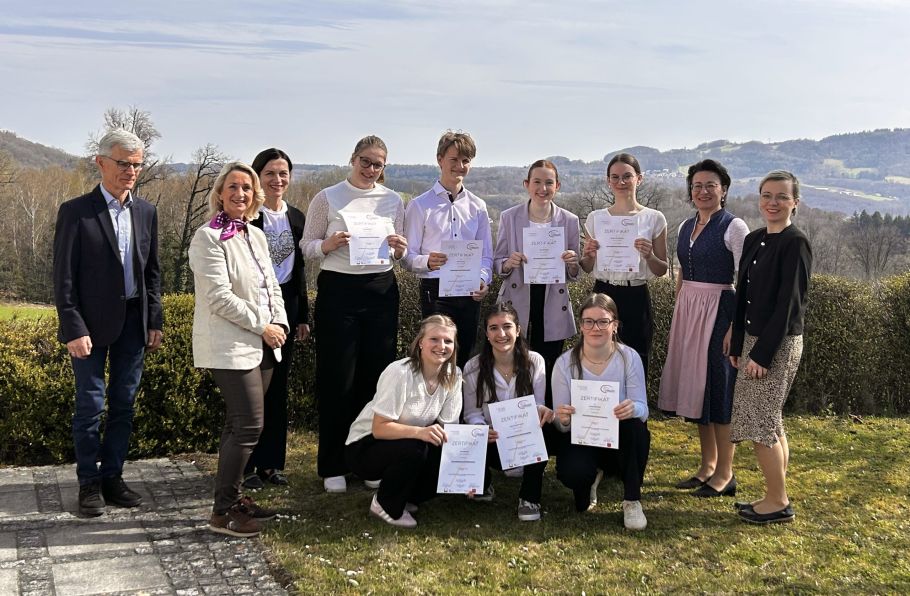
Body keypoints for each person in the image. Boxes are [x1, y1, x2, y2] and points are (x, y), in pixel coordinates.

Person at [53, 129, 163, 517]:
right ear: (101, 163)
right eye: (123, 163)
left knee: (123, 405)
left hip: (133, 323)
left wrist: (154, 319)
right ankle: (89, 483)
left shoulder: (146, 212)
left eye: (137, 165)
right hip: (89, 326)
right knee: (90, 406)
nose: (131, 171)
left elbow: (152, 272)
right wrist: (73, 327)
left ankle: (113, 478)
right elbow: (63, 277)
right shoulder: (76, 212)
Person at [301, 135, 408, 493]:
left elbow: (399, 251)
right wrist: (326, 245)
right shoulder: (327, 197)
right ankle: (333, 464)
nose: (371, 169)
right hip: (339, 290)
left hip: (381, 290)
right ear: (353, 158)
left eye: (378, 164)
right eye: (366, 161)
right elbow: (307, 245)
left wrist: (399, 249)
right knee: (338, 380)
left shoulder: (393, 200)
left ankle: (368, 462)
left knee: (376, 381)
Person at [189, 162, 289, 537]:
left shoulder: (256, 235)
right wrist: (263, 326)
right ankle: (223, 513)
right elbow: (219, 298)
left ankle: (232, 499)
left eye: (247, 187)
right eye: (232, 187)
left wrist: (280, 322)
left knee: (237, 425)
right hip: (230, 345)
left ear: (255, 195)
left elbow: (271, 286)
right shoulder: (208, 237)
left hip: (264, 343)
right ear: (220, 194)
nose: (240, 193)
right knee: (249, 426)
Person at [658, 159, 749, 497]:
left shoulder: (734, 226)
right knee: (698, 388)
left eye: (711, 185)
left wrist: (735, 327)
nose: (703, 191)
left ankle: (725, 473)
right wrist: (679, 310)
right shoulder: (686, 225)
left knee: (719, 389)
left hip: (720, 310)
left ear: (723, 190)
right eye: (697, 186)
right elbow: (682, 271)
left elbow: (746, 279)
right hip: (689, 310)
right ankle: (707, 466)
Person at [729, 170, 812, 525]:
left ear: (795, 202)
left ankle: (778, 501)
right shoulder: (755, 239)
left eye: (781, 196)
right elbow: (743, 295)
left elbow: (789, 304)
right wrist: (737, 341)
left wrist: (761, 355)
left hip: (776, 345)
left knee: (759, 421)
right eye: (767, 195)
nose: (772, 203)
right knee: (771, 421)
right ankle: (775, 494)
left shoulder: (796, 243)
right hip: (752, 340)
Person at [345, 315, 463, 528]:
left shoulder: (453, 375)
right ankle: (384, 505)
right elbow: (379, 428)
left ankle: (406, 496)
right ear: (421, 342)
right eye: (434, 339)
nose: (441, 346)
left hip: (407, 442)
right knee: (416, 448)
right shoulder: (400, 372)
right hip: (364, 446)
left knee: (441, 452)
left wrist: (467, 474)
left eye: (448, 341)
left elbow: (450, 430)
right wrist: (420, 433)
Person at [241, 148, 310, 489]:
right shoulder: (247, 217)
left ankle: (271, 463)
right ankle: (246, 465)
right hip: (253, 309)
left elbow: (300, 270)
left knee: (278, 387)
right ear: (258, 177)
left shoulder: (296, 217)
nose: (277, 180)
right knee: (251, 389)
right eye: (270, 173)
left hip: (287, 309)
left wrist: (303, 316)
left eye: (283, 173)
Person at [552, 293, 650, 530]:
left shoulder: (629, 358)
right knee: (575, 483)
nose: (595, 328)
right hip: (581, 438)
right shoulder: (564, 363)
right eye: (589, 321)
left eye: (603, 321)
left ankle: (632, 500)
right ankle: (589, 479)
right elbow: (560, 424)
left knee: (635, 427)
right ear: (581, 326)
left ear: (614, 325)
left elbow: (644, 410)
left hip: (619, 440)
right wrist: (563, 419)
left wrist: (632, 408)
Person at [495, 159, 580, 407]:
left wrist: (572, 261)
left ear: (557, 186)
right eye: (537, 182)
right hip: (517, 297)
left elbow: (575, 272)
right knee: (514, 363)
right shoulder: (509, 217)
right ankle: (515, 417)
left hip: (552, 298)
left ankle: (547, 418)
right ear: (527, 184)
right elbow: (497, 262)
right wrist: (508, 263)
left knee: (549, 365)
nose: (543, 188)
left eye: (549, 183)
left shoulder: (570, 220)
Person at [403, 131, 493, 367]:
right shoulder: (419, 206)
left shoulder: (478, 206)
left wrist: (483, 279)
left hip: (469, 291)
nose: (460, 166)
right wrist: (426, 262)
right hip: (435, 290)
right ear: (440, 159)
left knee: (464, 358)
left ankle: (459, 395)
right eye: (454, 159)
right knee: (435, 359)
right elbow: (407, 257)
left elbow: (486, 256)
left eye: (466, 160)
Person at [462, 304, 555, 521]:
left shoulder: (535, 361)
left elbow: (538, 403)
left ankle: (529, 498)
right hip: (492, 440)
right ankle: (483, 483)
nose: (501, 334)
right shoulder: (473, 368)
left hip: (524, 440)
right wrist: (482, 430)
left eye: (507, 326)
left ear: (518, 330)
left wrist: (541, 411)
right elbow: (471, 413)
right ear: (486, 333)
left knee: (544, 428)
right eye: (494, 328)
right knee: (469, 433)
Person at [580, 153, 668, 377]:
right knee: (598, 359)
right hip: (602, 294)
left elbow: (662, 270)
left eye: (627, 176)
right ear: (608, 180)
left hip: (636, 295)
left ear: (639, 178)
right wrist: (589, 255)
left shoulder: (654, 218)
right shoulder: (595, 218)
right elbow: (587, 267)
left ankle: (635, 402)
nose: (621, 182)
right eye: (615, 177)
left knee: (637, 360)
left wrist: (649, 256)